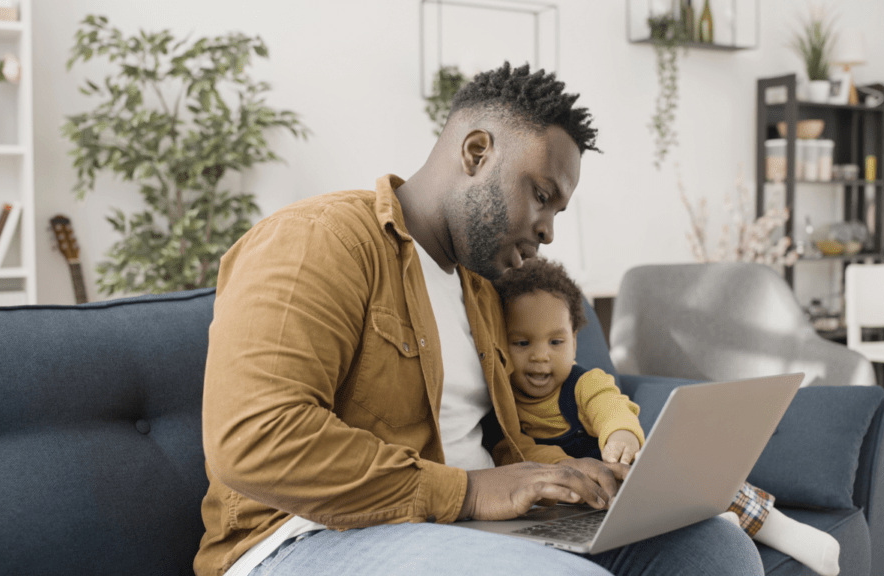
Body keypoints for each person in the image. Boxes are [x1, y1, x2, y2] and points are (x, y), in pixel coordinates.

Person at [196, 62, 763, 576]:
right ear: (475, 152)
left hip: (466, 527)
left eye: (557, 211)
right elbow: (253, 438)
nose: (548, 231)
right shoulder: (318, 240)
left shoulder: (483, 289)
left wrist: (601, 470)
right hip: (307, 537)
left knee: (716, 549)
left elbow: (538, 412)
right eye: (542, 195)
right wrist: (468, 492)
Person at [493, 256, 842, 576]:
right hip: (576, 503)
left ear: (574, 339)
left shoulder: (584, 383)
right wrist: (568, 470)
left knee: (694, 470)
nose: (540, 357)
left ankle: (778, 528)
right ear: (499, 342)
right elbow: (520, 453)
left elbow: (611, 406)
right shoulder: (501, 401)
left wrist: (620, 436)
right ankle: (713, 522)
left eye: (556, 342)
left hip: (624, 475)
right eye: (522, 343)